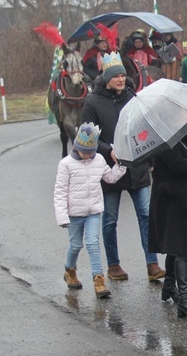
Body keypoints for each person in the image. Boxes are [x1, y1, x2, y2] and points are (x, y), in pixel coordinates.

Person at [81, 53, 166, 281]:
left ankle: (152, 264)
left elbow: (143, 125)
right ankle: (114, 265)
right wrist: (107, 149)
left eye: (123, 75)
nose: (121, 79)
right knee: (110, 220)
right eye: (116, 76)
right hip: (110, 171)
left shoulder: (132, 96)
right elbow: (86, 136)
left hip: (136, 167)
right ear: (106, 78)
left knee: (147, 215)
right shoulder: (92, 102)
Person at [54, 122, 127, 298]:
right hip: (74, 214)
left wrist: (121, 165)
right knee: (76, 245)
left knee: (93, 243)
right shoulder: (66, 164)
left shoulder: (99, 160)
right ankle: (70, 271)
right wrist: (62, 216)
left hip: (93, 211)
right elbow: (60, 191)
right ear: (76, 147)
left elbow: (110, 178)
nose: (87, 155)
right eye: (84, 151)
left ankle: (99, 280)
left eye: (90, 152)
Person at [148, 133, 187, 319]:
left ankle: (168, 286)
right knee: (181, 246)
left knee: (176, 244)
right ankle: (185, 298)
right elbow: (179, 165)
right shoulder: (164, 140)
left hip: (181, 198)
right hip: (172, 200)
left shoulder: (178, 137)